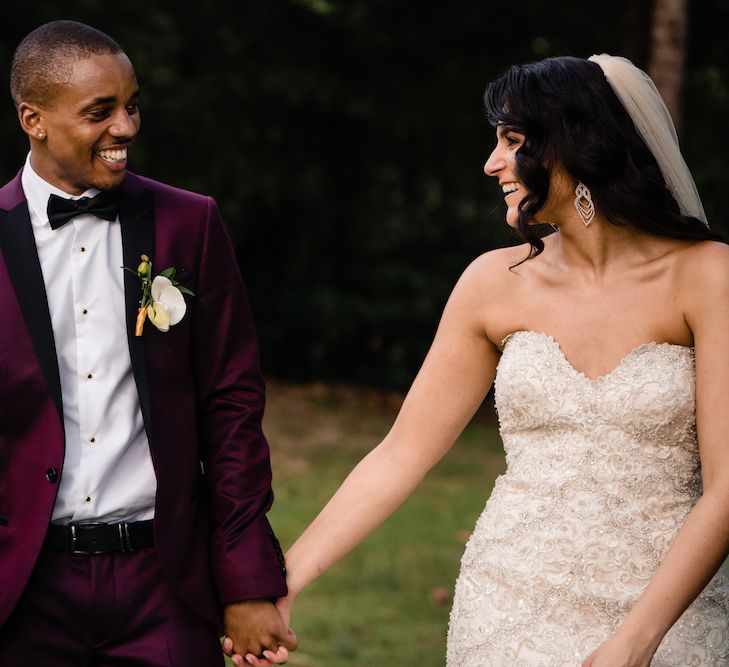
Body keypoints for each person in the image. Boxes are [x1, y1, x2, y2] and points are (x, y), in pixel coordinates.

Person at [241, 54, 729, 667]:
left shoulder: (707, 276)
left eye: (512, 141)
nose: (492, 163)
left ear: (577, 141)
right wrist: (283, 584)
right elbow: (400, 454)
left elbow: (727, 486)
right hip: (509, 608)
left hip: (670, 615)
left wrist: (639, 639)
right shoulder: (492, 283)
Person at [0, 19, 297, 666]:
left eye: (132, 106)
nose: (126, 128)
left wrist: (248, 583)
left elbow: (232, 410)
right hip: (21, 591)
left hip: (163, 585)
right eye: (99, 112)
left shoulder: (189, 224)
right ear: (34, 118)